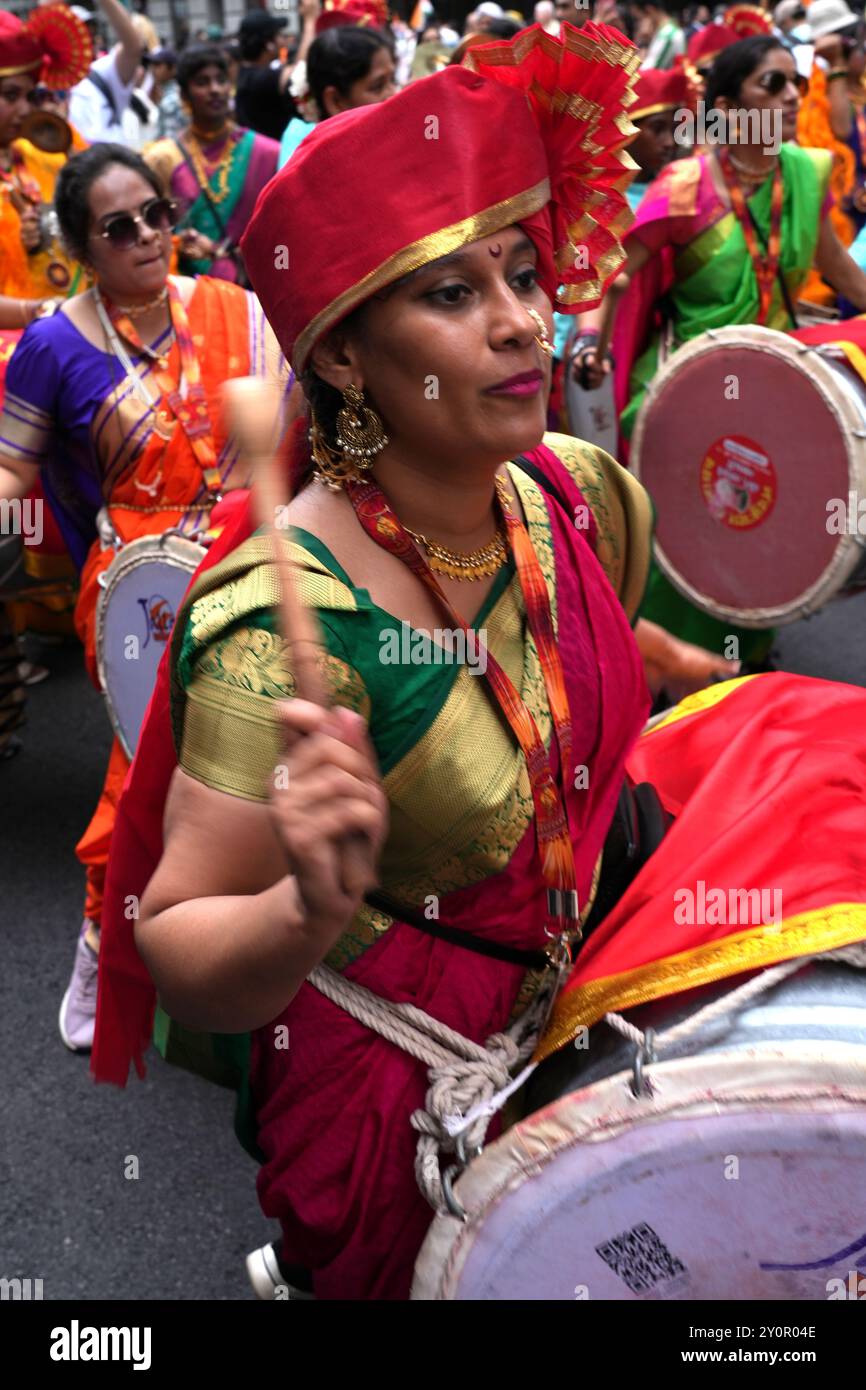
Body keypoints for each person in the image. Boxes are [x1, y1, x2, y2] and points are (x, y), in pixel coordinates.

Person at [89, 23, 758, 1303]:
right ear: (340, 353)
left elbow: (610, 665)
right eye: (452, 294)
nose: (520, 324)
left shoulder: (577, 496)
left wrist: (732, 701)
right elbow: (177, 936)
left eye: (521, 272)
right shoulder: (279, 633)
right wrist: (301, 910)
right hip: (393, 1096)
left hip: (584, 1008)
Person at [0, 144, 287, 1053]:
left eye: (156, 215)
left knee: (251, 767)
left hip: (240, 571)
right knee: (142, 780)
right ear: (84, 248)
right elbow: (13, 467)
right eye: (118, 228)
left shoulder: (228, 312)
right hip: (132, 594)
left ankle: (240, 960)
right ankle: (100, 947)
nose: (147, 237)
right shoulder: (54, 346)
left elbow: (271, 454)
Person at [577, 34, 866, 661]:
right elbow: (619, 271)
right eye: (773, 84)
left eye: (797, 83)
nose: (792, 96)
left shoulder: (807, 173)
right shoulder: (685, 186)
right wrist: (592, 335)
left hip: (779, 379)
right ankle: (662, 662)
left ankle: (745, 648)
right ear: (731, 106)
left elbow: (838, 268)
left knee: (765, 519)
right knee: (689, 518)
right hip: (687, 383)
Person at [144, 46, 279, 284]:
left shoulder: (265, 153)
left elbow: (279, 235)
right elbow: (153, 234)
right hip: (189, 291)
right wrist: (181, 244)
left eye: (221, 80)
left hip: (254, 289)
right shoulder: (163, 158)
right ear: (184, 96)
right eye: (202, 82)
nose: (214, 89)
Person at [0, 6, 93, 321]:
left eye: (31, 97)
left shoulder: (43, 155)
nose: (26, 110)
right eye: (11, 96)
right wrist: (42, 313)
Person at [278, 26, 397, 168]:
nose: (393, 94)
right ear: (335, 101)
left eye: (393, 80)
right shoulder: (310, 167)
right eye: (377, 87)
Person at [68, 0, 145, 144]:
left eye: (89, 32)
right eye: (76, 32)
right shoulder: (47, 82)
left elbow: (133, 46)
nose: (86, 39)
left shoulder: (103, 71)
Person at [234, 10, 306, 142]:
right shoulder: (260, 79)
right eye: (279, 35)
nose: (283, 41)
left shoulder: (246, 72)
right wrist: (310, 21)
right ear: (269, 44)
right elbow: (300, 74)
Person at [624, 65, 688, 208]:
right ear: (626, 130)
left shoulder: (680, 191)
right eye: (657, 129)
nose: (670, 142)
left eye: (675, 129)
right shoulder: (594, 198)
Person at [630, 0, 687, 68]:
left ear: (650, 10)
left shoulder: (667, 34)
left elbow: (649, 70)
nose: (639, 25)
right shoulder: (662, 31)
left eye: (639, 19)